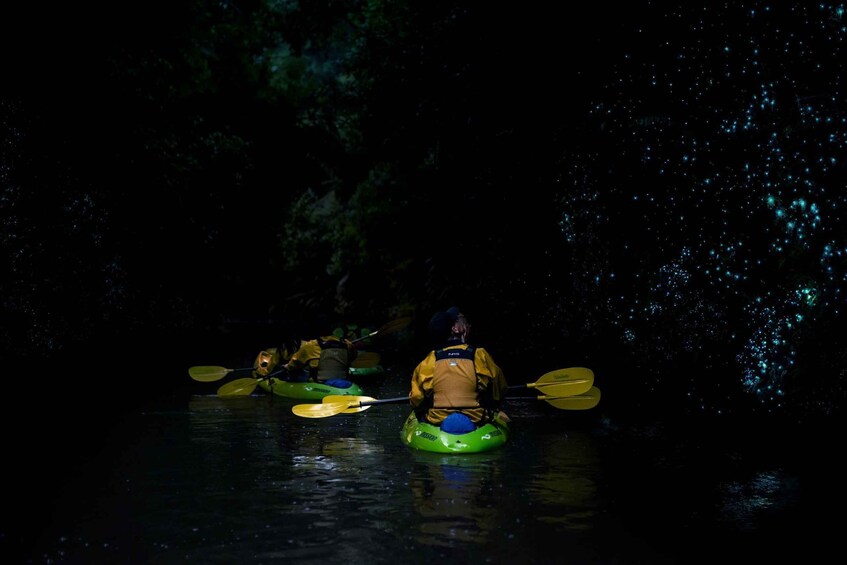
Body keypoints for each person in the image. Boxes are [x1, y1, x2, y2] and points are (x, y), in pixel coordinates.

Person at [408, 307, 510, 433]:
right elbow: (500, 389)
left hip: (437, 419)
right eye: (464, 321)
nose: (469, 325)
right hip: (477, 419)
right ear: (455, 329)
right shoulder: (480, 355)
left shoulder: (429, 361)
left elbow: (416, 399)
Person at [253, 333, 358, 386]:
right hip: (341, 377)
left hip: (318, 381)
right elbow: (353, 357)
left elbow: (295, 363)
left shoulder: (311, 345)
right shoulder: (347, 344)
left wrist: (287, 367)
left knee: (291, 372)